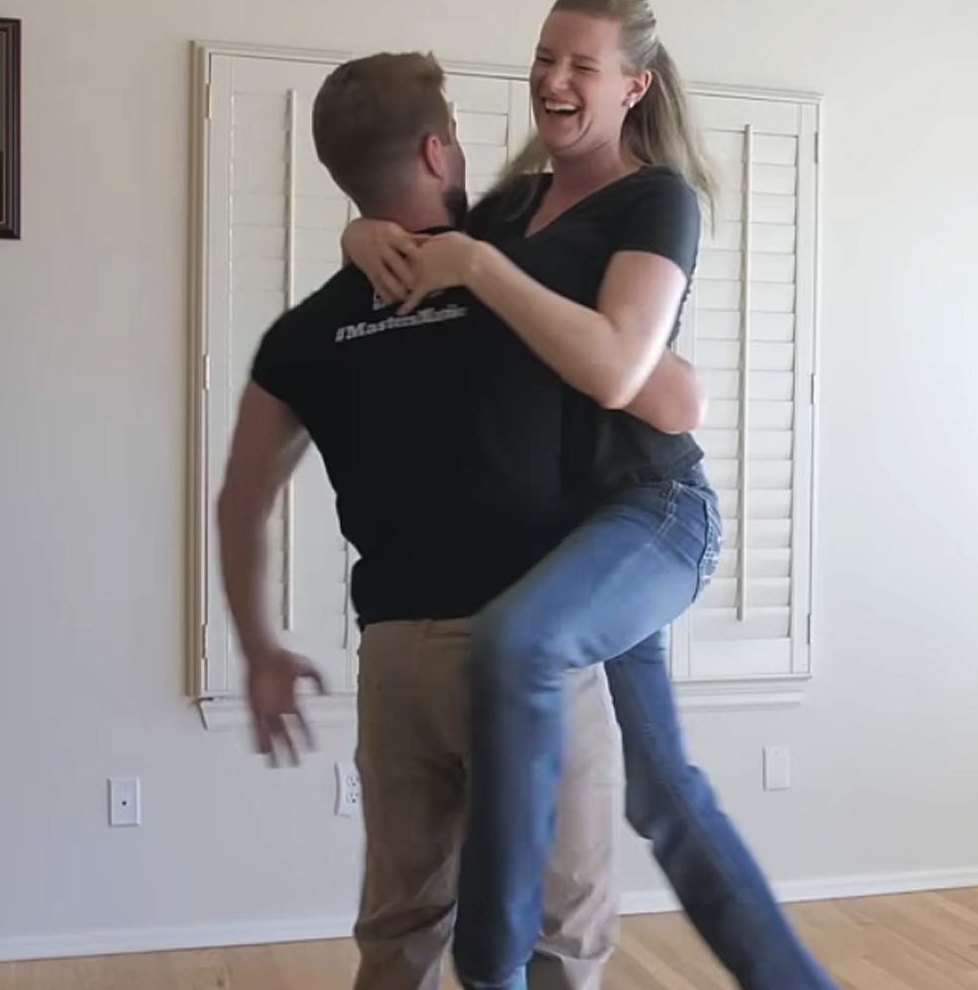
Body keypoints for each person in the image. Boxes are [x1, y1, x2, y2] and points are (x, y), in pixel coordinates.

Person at [344, 0, 840, 990]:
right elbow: (424, 263)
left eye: (582, 63)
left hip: (651, 515)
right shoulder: (514, 207)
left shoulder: (656, 199)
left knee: (521, 641)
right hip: (568, 539)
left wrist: (487, 277)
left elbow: (615, 369)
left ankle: (493, 964)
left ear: (632, 86)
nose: (554, 78)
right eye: (545, 56)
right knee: (664, 793)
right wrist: (363, 237)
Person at [215, 51, 706, 990]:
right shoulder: (516, 289)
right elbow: (671, 400)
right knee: (559, 931)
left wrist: (261, 647)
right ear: (439, 151)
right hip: (526, 650)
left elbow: (241, 500)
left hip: (396, 662)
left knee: (401, 928)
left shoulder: (305, 334)